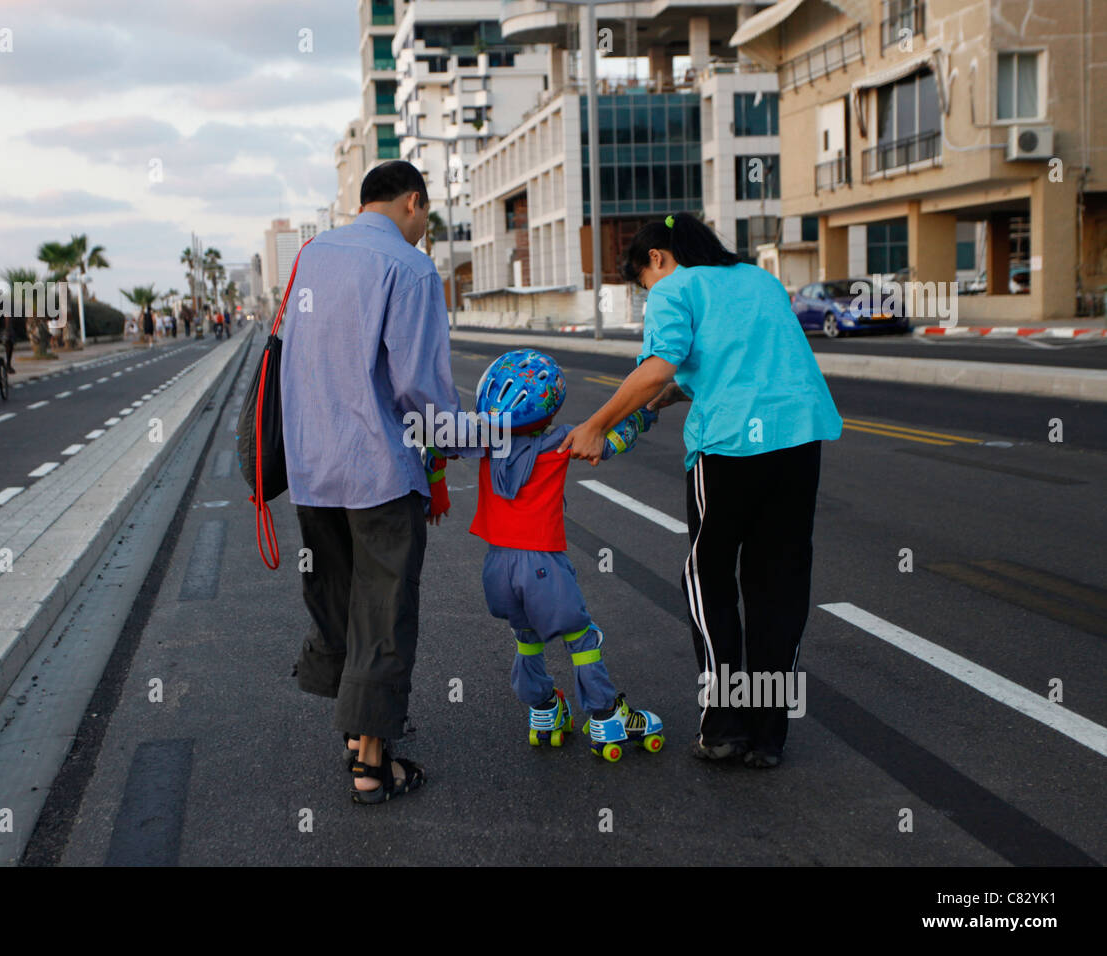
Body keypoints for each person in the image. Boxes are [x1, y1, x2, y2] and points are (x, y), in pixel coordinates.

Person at [559, 213, 843, 769]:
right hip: (799, 439)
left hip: (732, 448)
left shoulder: (677, 287)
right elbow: (749, 363)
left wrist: (595, 424)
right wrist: (673, 395)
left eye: (644, 283)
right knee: (777, 584)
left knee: (707, 575)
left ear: (658, 259)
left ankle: (722, 727)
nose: (649, 294)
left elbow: (659, 363)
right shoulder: (759, 279)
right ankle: (767, 736)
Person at [282, 159, 462, 804]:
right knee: (384, 609)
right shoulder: (409, 268)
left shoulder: (310, 255)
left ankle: (354, 733)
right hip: (378, 468)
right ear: (413, 202)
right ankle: (373, 766)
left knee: (336, 599)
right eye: (427, 214)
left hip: (310, 465)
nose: (424, 228)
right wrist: (469, 438)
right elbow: (419, 387)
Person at [470, 348, 665, 761]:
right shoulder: (561, 441)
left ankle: (543, 710)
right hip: (542, 566)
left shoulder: (483, 442)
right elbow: (610, 441)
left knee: (526, 638)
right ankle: (607, 716)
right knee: (584, 639)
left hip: (496, 567)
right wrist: (645, 414)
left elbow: (437, 443)